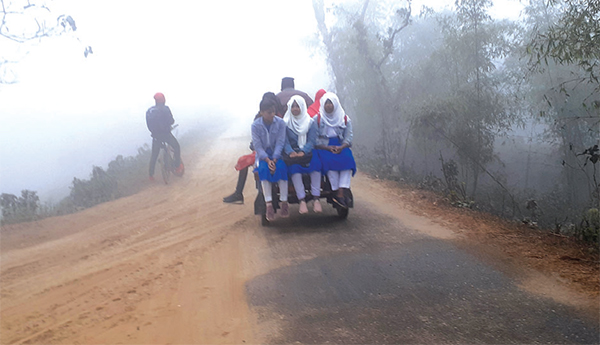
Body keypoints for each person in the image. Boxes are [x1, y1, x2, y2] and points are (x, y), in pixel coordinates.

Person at [223, 92, 283, 203]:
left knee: (245, 161)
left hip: (273, 152)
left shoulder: (277, 118)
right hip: (263, 151)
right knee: (244, 160)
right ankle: (238, 193)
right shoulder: (264, 118)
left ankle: (238, 192)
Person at [315, 92, 356, 208]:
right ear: (322, 104)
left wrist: (342, 147)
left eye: (331, 103)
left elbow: (349, 136)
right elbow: (314, 139)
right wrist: (327, 148)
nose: (328, 106)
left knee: (348, 160)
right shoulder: (317, 119)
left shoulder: (345, 119)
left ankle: (341, 191)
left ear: (336, 104)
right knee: (328, 162)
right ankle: (336, 190)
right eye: (326, 103)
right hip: (324, 147)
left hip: (340, 145)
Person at [283, 95, 323, 214]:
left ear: (302, 107)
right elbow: (284, 142)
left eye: (298, 106)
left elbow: (311, 141)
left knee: (316, 164)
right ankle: (302, 200)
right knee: (294, 168)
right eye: (293, 106)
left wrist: (303, 151)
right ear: (289, 107)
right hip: (292, 153)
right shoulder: (285, 123)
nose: (295, 109)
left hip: (308, 151)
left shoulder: (310, 122)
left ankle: (316, 199)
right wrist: (291, 152)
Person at [252, 97, 289, 221]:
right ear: (262, 112)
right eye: (269, 112)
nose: (272, 114)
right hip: (263, 156)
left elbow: (280, 142)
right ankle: (268, 204)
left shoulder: (280, 123)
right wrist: (267, 160)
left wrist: (274, 159)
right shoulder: (255, 126)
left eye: (273, 111)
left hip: (277, 155)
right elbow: (258, 146)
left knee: (282, 169)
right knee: (263, 171)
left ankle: (284, 202)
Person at [146, 92, 184, 181]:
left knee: (154, 156)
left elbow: (148, 125)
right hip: (166, 135)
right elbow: (171, 121)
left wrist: (154, 132)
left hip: (156, 136)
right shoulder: (165, 109)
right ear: (163, 99)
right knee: (176, 147)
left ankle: (151, 175)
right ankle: (178, 166)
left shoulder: (149, 111)